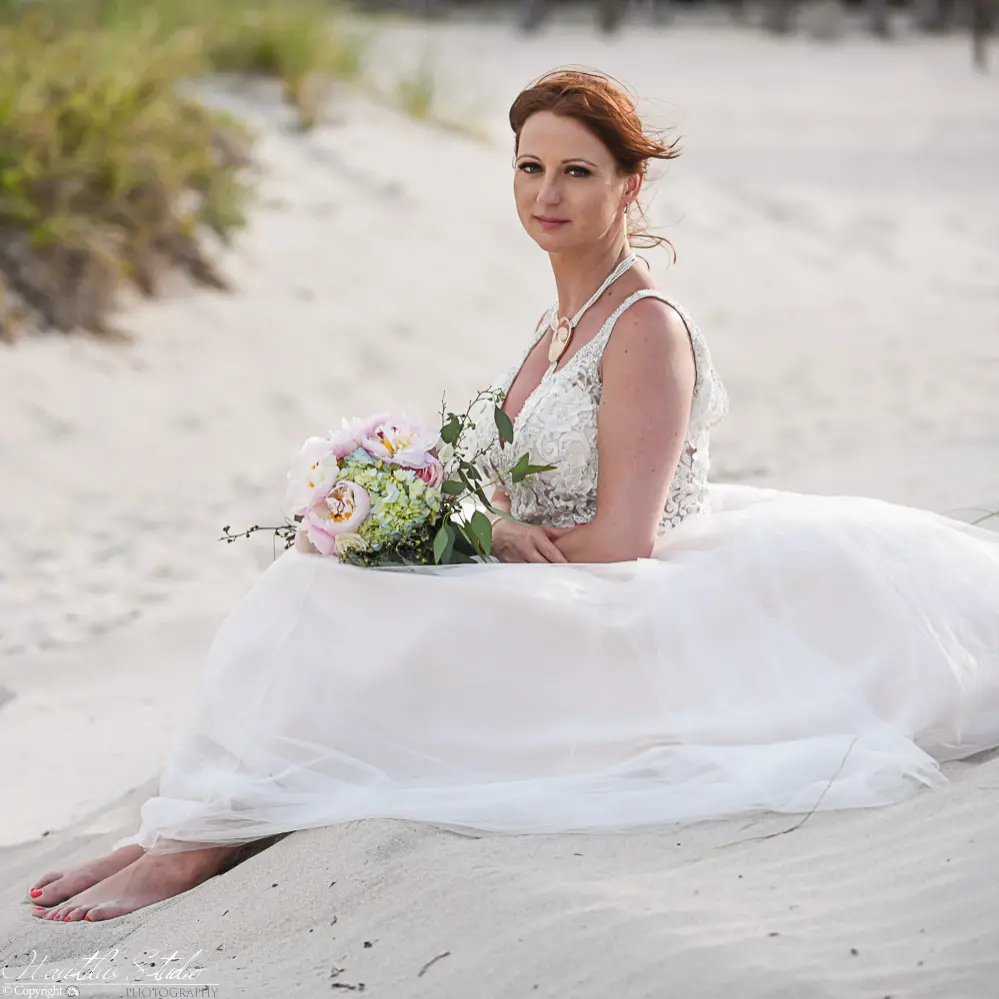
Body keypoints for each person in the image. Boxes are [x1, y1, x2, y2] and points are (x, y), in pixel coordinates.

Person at [28, 69, 999, 923]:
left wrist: (481, 551)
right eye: (530, 167)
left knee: (329, 602)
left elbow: (624, 540)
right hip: (551, 571)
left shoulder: (644, 328)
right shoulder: (557, 321)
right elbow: (506, 489)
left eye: (577, 171)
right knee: (313, 578)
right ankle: (187, 822)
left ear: (628, 185)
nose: (547, 193)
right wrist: (445, 523)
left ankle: (199, 841)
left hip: (618, 600)